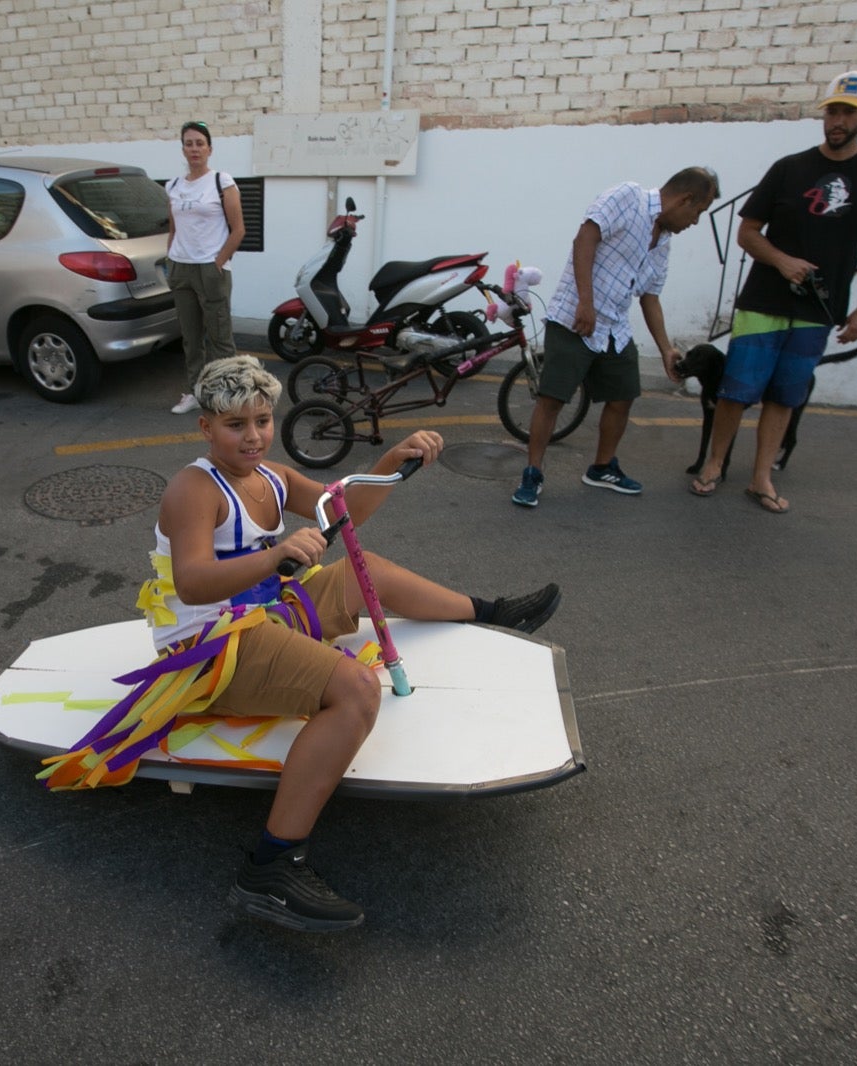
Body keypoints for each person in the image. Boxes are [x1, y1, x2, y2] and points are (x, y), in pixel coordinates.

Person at [44, 356, 561, 932]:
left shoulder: (274, 476)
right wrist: (275, 554)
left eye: (263, 420)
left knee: (377, 573)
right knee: (357, 691)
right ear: (206, 429)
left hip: (261, 611)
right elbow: (191, 581)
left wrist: (393, 459)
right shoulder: (194, 489)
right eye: (236, 425)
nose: (254, 436)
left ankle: (493, 614)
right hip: (208, 645)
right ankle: (270, 866)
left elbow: (346, 510)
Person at [690, 71, 857, 514]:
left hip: (819, 309)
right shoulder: (790, 168)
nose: (838, 120)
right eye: (832, 110)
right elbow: (748, 233)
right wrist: (782, 261)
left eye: (848, 111)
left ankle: (761, 477)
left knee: (786, 394)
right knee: (736, 389)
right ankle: (714, 463)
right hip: (762, 301)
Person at [511, 167, 720, 507]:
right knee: (552, 398)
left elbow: (650, 298)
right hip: (574, 317)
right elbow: (585, 239)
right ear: (685, 199)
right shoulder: (629, 197)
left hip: (614, 327)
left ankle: (602, 467)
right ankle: (533, 472)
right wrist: (585, 302)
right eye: (698, 212)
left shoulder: (663, 243)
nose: (695, 222)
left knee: (623, 395)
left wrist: (666, 348)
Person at [166, 121, 245, 415]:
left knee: (220, 337)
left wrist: (218, 262)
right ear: (183, 149)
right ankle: (196, 392)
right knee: (191, 336)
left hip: (211, 268)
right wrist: (170, 258)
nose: (194, 148)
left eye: (200, 143)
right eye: (189, 143)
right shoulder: (173, 186)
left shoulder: (221, 182)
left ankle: (228, 394)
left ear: (209, 148)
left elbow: (238, 230)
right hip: (181, 267)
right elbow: (174, 229)